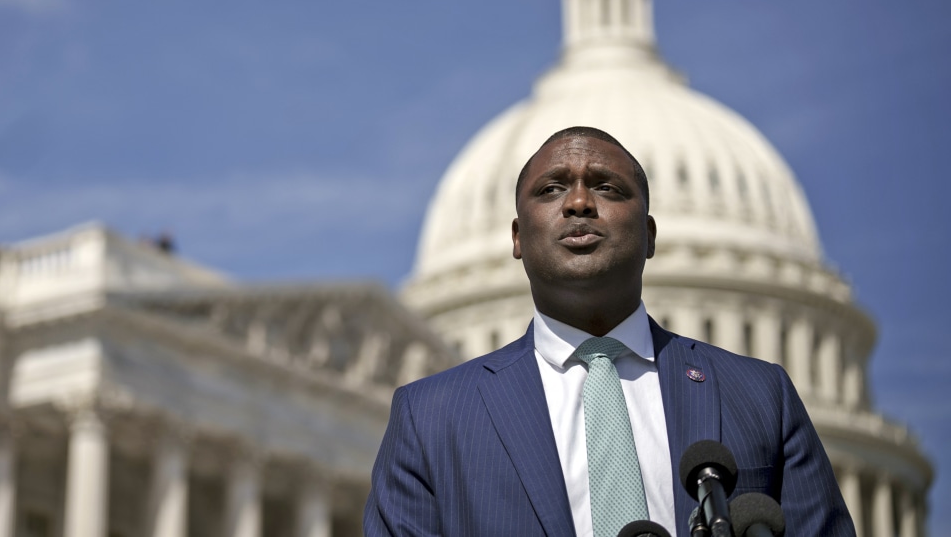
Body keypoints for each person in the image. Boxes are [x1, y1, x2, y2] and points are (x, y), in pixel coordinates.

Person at [364, 126, 853, 537]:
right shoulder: (431, 419)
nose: (579, 202)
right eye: (552, 189)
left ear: (650, 235)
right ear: (517, 237)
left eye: (608, 188)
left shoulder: (760, 396)